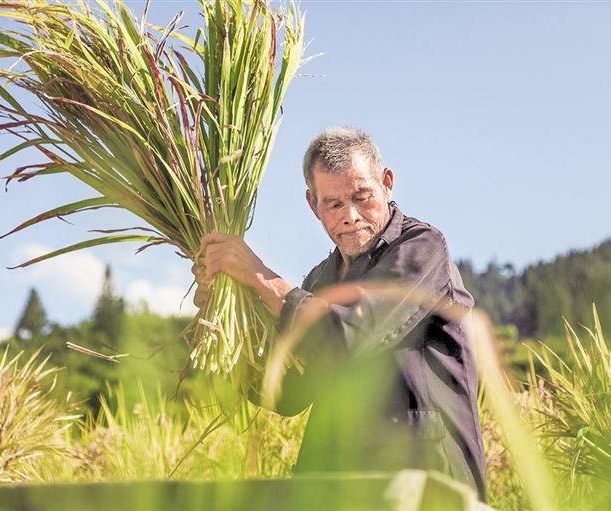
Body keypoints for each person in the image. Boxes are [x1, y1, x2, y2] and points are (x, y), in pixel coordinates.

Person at [192, 127, 486, 501]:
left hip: (424, 486)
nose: (350, 215)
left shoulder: (421, 249)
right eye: (333, 204)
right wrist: (220, 314)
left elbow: (354, 334)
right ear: (313, 204)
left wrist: (260, 278)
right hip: (338, 489)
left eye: (362, 197)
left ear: (387, 183)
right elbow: (288, 393)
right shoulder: (320, 279)